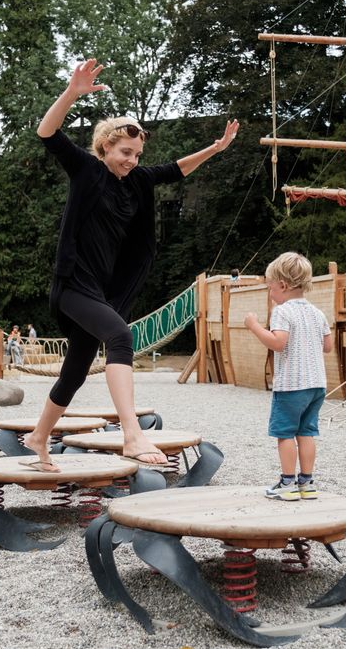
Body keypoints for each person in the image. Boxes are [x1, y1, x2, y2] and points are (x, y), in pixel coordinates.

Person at [23, 58, 239, 472]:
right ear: (105, 147)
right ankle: (131, 434)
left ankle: (37, 438)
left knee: (75, 372)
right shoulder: (86, 170)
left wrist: (215, 149)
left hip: (102, 291)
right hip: (72, 285)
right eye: (125, 152)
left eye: (138, 154)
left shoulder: (137, 181)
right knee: (121, 336)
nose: (132, 160)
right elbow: (46, 132)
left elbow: (177, 169)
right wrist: (72, 92)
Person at [244, 252, 332, 500]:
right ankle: (307, 483)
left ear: (282, 285)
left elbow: (278, 343)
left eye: (270, 288)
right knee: (307, 433)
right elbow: (327, 346)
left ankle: (287, 484)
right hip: (317, 386)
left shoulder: (282, 311)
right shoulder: (318, 313)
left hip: (292, 385)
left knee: (285, 434)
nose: (270, 293)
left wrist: (254, 326)